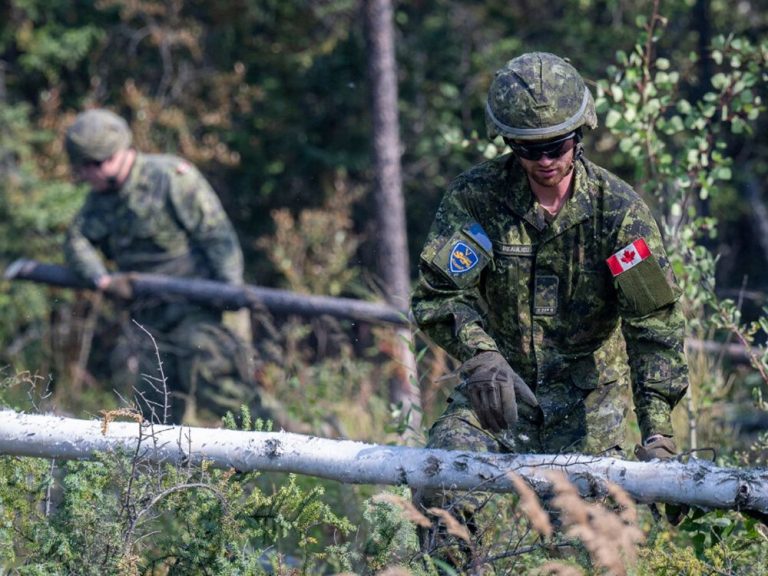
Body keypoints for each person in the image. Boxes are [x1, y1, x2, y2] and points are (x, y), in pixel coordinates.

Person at [411, 52, 689, 567]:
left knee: (589, 544)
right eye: (527, 147)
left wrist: (657, 432)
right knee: (438, 481)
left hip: (586, 408)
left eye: (556, 146)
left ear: (580, 133)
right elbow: (437, 296)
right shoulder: (477, 199)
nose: (544, 160)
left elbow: (653, 324)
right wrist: (481, 356)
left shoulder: (617, 212)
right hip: (499, 394)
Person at [63, 108, 263, 425]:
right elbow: (76, 240)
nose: (87, 175)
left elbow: (217, 237)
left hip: (199, 311)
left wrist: (228, 293)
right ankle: (158, 474)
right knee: (155, 410)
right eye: (83, 167)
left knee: (223, 390)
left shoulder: (170, 178)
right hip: (151, 321)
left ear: (117, 155)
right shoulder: (100, 202)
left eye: (94, 166)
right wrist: (101, 279)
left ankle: (297, 447)